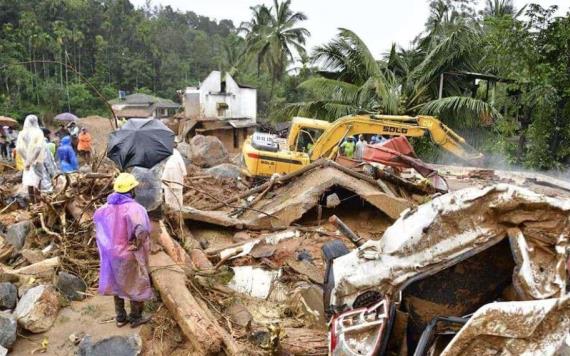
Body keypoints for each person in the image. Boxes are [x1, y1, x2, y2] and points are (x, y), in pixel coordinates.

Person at [94, 173, 153, 328]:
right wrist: (138, 245)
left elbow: (100, 230)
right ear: (131, 190)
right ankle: (135, 317)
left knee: (116, 284)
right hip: (129, 254)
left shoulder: (104, 209)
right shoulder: (135, 209)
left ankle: (120, 317)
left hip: (112, 254)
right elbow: (142, 231)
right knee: (136, 283)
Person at [16, 115, 48, 203]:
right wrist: (31, 160)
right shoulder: (38, 132)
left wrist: (27, 161)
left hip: (26, 162)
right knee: (38, 181)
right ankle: (38, 203)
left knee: (29, 182)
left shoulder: (21, 133)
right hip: (37, 161)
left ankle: (32, 202)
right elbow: (38, 149)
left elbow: (19, 149)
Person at [161, 143, 187, 210]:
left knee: (169, 194)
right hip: (175, 176)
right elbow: (182, 164)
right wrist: (184, 174)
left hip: (168, 176)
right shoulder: (176, 153)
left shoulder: (167, 153)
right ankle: (177, 209)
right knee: (177, 193)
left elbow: (162, 165)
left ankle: (170, 208)